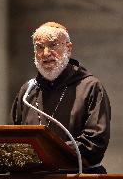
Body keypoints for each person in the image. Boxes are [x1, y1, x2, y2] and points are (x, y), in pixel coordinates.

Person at [11, 21, 111, 174]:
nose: (46, 53)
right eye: (39, 47)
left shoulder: (90, 87)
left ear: (68, 49)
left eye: (53, 45)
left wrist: (45, 152)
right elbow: (15, 138)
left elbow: (95, 143)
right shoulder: (27, 91)